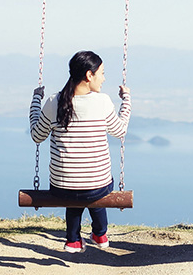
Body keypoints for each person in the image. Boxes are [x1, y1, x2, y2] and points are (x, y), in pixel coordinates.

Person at [29, 51, 131, 253]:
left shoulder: (53, 102)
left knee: (74, 188)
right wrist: (126, 100)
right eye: (101, 73)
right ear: (89, 75)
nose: (104, 78)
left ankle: (73, 240)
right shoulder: (102, 101)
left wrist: (35, 101)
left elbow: (36, 135)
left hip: (61, 186)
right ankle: (100, 233)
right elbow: (120, 131)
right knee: (95, 186)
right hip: (97, 186)